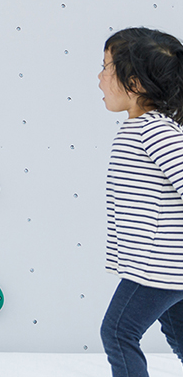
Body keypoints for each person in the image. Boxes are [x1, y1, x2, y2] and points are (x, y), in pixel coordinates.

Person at [99, 27, 183, 377]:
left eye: (106, 67)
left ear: (134, 83)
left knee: (118, 332)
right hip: (160, 266)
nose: (99, 77)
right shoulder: (140, 128)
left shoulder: (156, 130)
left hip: (157, 268)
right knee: (178, 334)